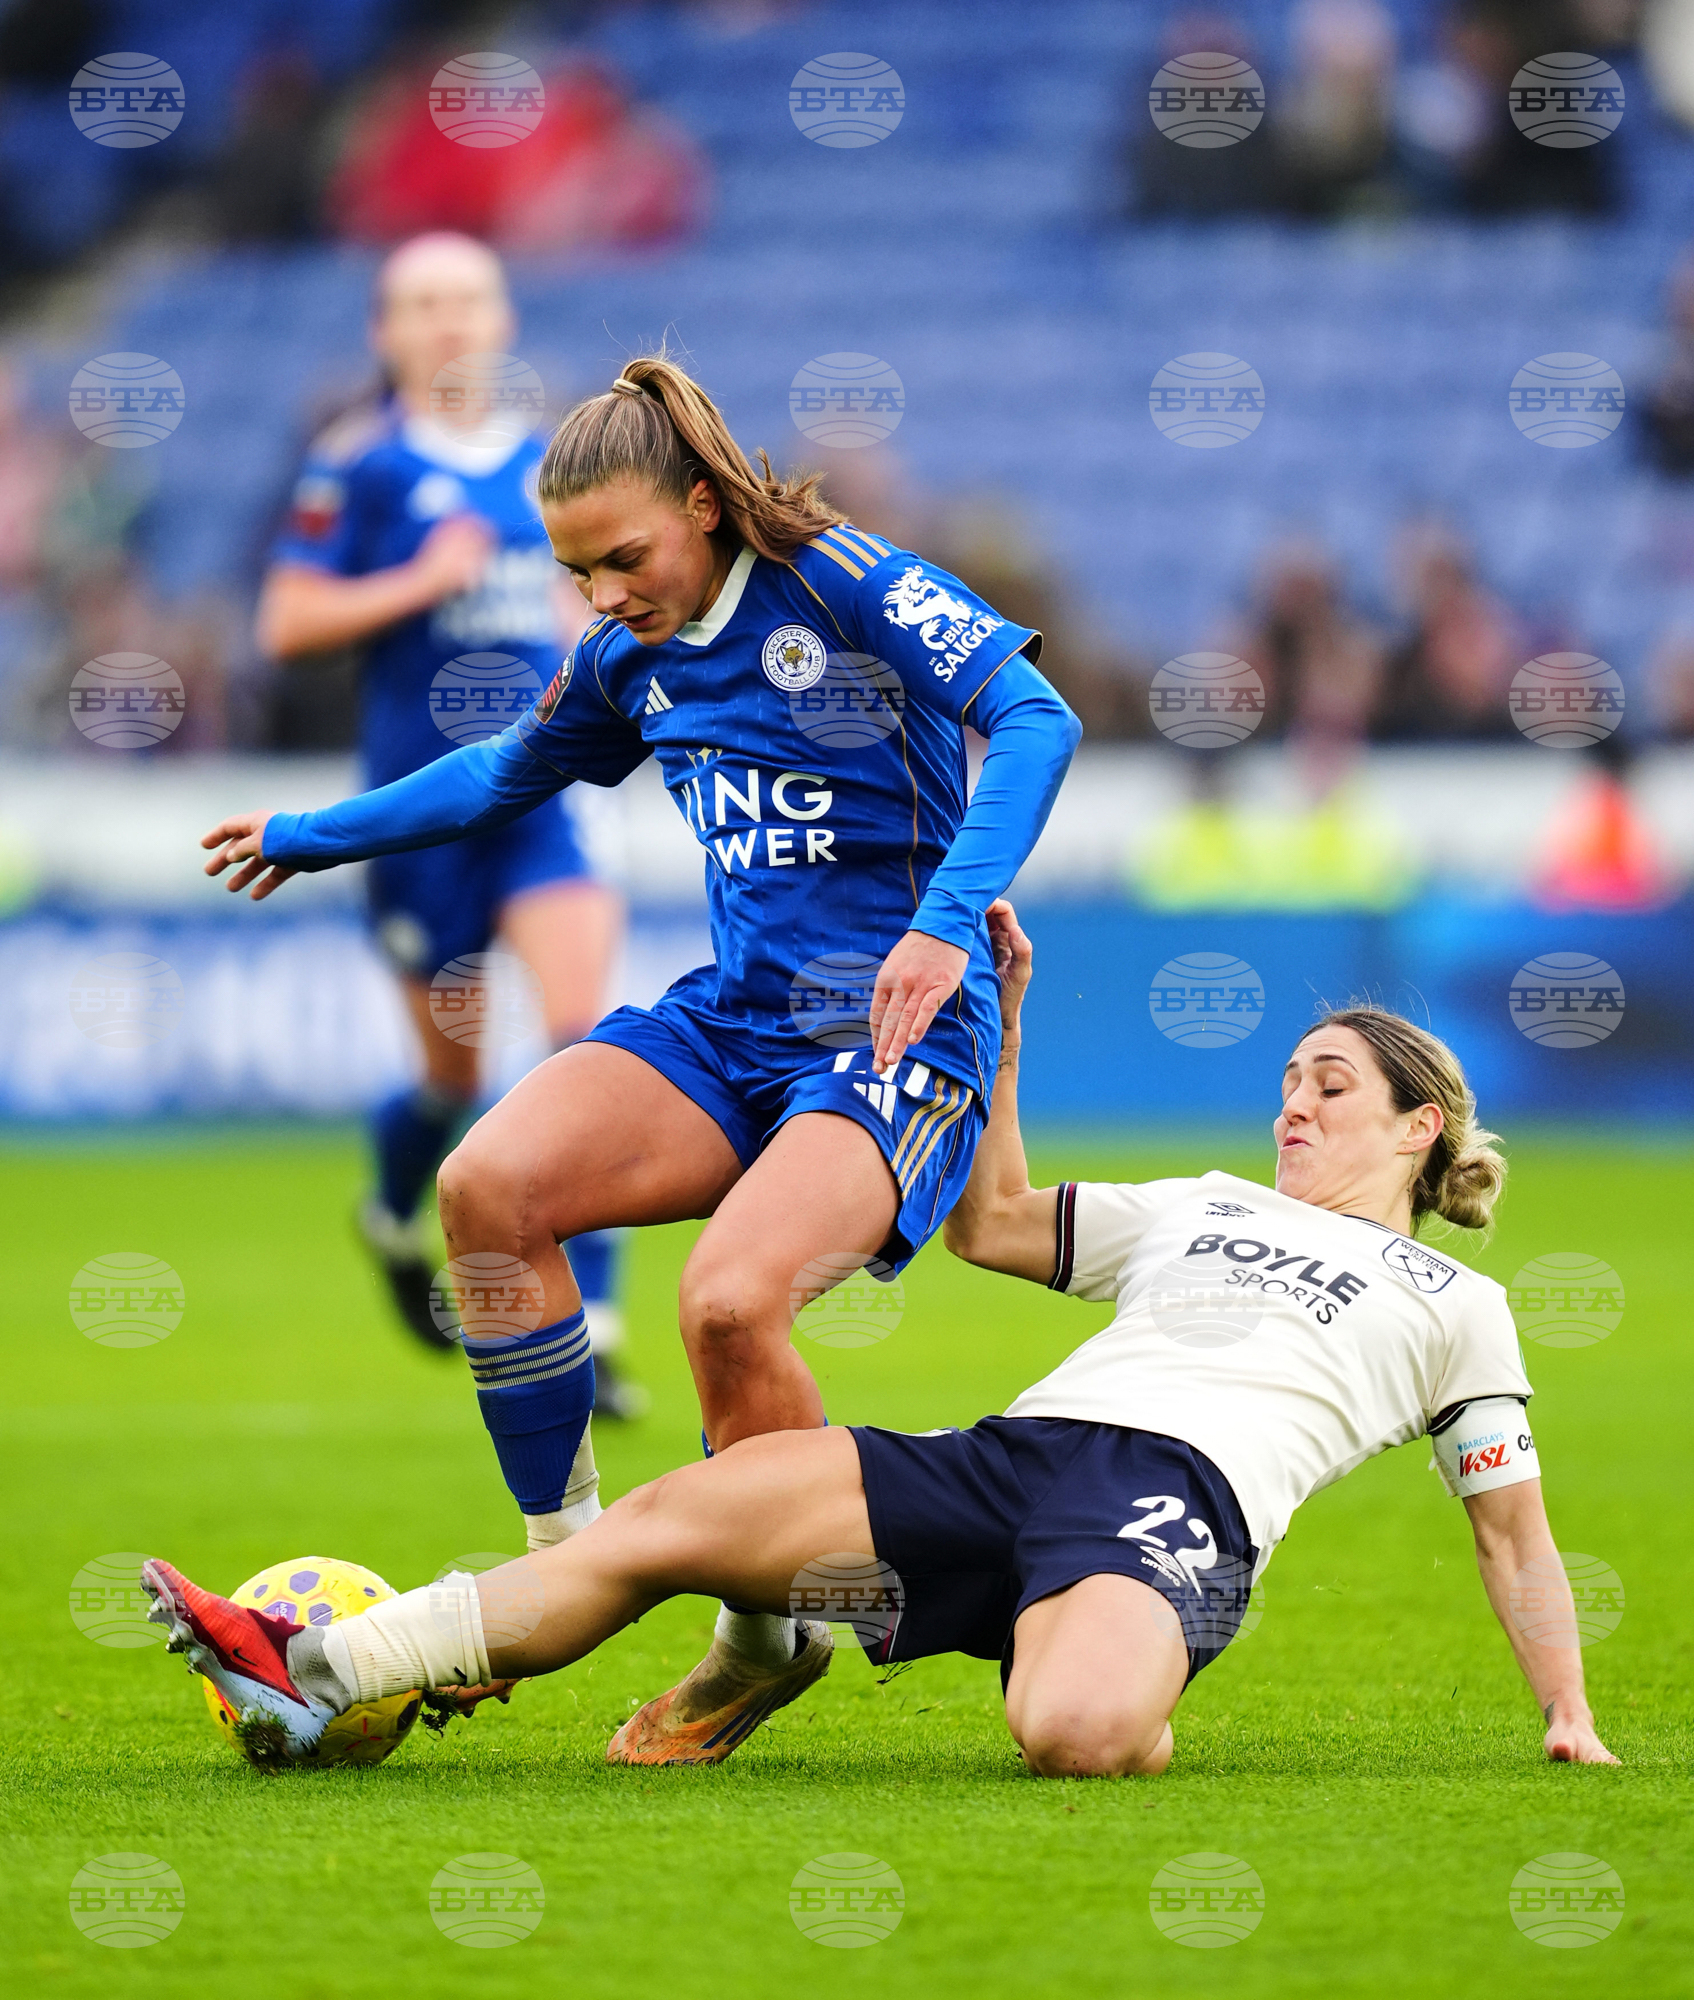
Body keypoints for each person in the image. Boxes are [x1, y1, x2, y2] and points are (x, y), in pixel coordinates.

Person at [141, 901, 1616, 1776]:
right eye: (1288, 1080)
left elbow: (1511, 1540)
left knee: (1073, 1740)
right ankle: (320, 1662)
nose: (1293, 1104)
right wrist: (1007, 1021)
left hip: (1168, 1512)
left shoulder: (1456, 1310)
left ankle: (1123, 1670)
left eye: (1331, 1088)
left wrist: (1567, 1713)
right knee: (656, 1524)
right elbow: (991, 1224)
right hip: (1002, 1462)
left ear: (1420, 1127)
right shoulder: (1202, 1204)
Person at [199, 356, 1083, 1760]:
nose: (603, 594)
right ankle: (569, 1557)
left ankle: (759, 1637)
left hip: (900, 1029)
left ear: (701, 506)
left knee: (730, 1305)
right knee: (489, 1190)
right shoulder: (627, 658)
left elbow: (1038, 719)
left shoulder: (841, 580)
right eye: (574, 571)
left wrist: (938, 922)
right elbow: (504, 772)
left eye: (621, 559)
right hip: (734, 1018)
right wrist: (312, 834)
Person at [255, 232, 634, 1409]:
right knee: (449, 1075)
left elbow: (590, 604)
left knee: (582, 1025)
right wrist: (424, 579)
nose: (448, 322)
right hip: (416, 812)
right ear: (386, 330)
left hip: (529, 791)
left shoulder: (550, 466)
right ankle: (389, 1205)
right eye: (421, 304)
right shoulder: (356, 467)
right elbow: (287, 623)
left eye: (466, 299)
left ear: (501, 316)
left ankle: (598, 1317)